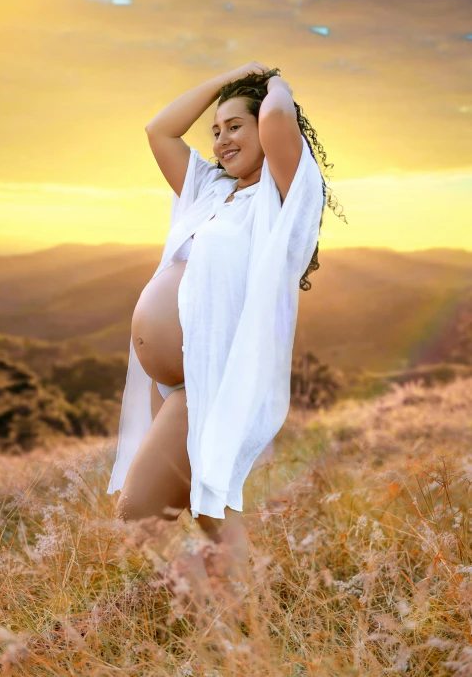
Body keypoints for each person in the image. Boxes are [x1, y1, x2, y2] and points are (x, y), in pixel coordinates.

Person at [107, 62, 340, 627]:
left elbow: (282, 115)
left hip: (211, 382)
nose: (221, 139)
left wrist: (272, 82)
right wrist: (226, 80)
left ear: (265, 128)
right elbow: (158, 130)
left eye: (236, 126)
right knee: (209, 510)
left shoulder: (284, 199)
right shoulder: (211, 190)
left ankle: (212, 612)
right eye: (215, 130)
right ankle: (241, 623)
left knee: (142, 512)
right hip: (176, 382)